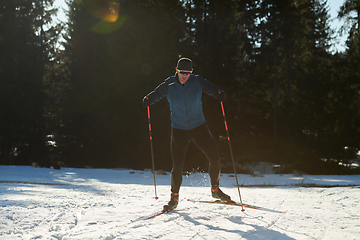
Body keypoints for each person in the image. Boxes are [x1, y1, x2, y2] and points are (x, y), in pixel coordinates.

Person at [142, 57, 230, 211]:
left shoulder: (197, 81)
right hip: (179, 129)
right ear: (176, 70)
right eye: (182, 72)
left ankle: (215, 190)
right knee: (177, 165)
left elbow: (212, 89)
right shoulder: (169, 84)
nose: (184, 75)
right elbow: (155, 95)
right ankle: (174, 199)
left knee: (215, 158)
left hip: (199, 127)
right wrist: (148, 99)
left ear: (191, 72)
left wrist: (220, 93)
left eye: (188, 73)